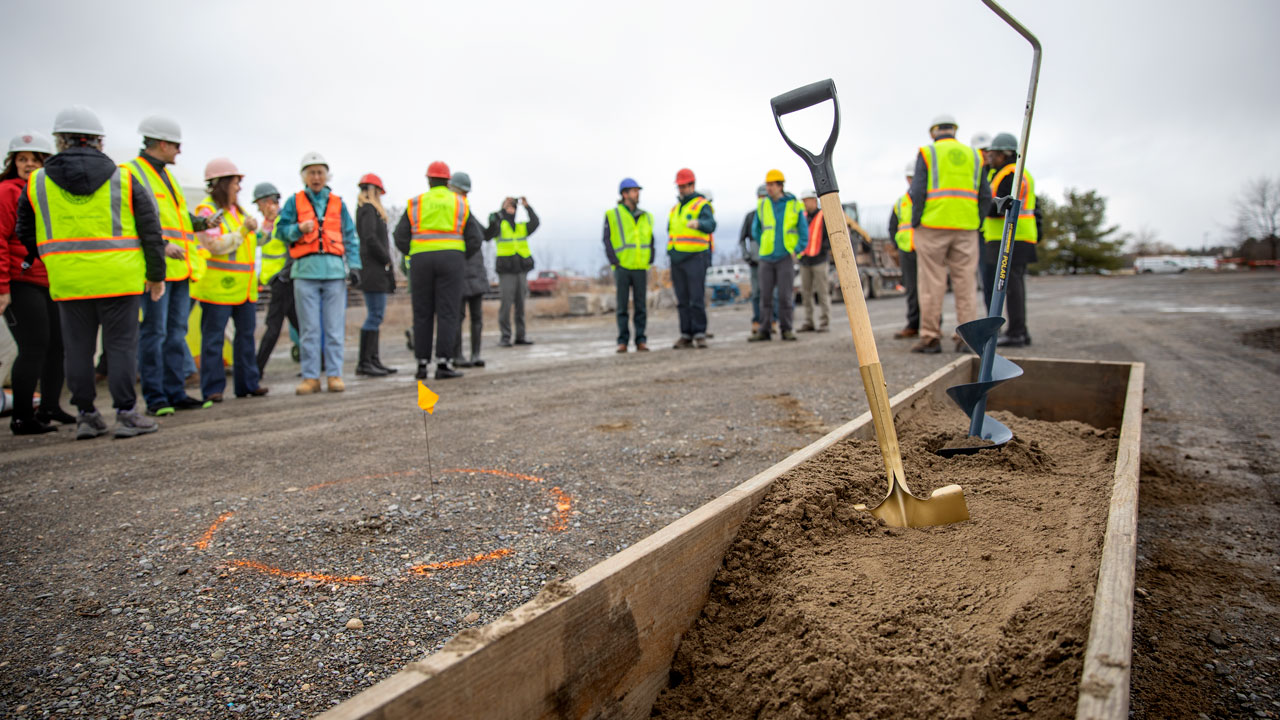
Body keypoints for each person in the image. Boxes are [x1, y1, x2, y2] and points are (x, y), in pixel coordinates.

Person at [15, 105, 166, 439]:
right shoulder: (124, 178)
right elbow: (150, 231)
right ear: (99, 141)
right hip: (120, 278)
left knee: (78, 350)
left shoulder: (37, 182)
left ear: (60, 141)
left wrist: (53, 258)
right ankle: (126, 414)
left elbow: (24, 230)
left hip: (69, 281)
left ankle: (87, 416)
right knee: (121, 347)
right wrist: (156, 275)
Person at [127, 116, 211, 416]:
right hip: (156, 271)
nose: (178, 152)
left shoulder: (166, 176)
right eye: (176, 145)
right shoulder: (131, 174)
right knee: (154, 333)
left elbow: (177, 219)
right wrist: (161, 246)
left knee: (176, 333)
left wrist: (201, 222)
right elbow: (133, 221)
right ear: (162, 144)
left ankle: (176, 392)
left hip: (181, 270)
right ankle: (155, 396)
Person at [1, 131, 74, 435]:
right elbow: (1, 240)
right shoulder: (7, 191)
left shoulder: (50, 190)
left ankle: (49, 406)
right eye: (22, 159)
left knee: (58, 345)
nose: (29, 164)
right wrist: (2, 287)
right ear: (13, 162)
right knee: (33, 346)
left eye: (35, 159)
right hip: (20, 280)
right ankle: (21, 417)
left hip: (50, 280)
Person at [275, 151, 361, 394]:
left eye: (320, 172)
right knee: (309, 328)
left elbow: (350, 236)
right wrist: (297, 229)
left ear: (326, 175)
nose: (316, 177)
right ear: (304, 176)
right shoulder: (294, 202)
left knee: (334, 327)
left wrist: (354, 266)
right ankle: (311, 376)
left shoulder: (338, 203)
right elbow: (280, 231)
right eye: (311, 172)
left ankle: (334, 374)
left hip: (334, 271)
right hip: (305, 272)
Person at [908, 115, 990, 354]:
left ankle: (931, 338)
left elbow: (917, 190)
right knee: (965, 284)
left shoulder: (927, 152)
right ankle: (967, 339)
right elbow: (985, 194)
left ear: (933, 132)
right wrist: (976, 221)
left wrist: (917, 221)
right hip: (966, 228)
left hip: (932, 226)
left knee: (932, 284)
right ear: (955, 131)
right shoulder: (974, 156)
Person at [192, 158, 267, 402]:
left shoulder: (240, 211)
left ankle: (248, 383)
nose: (239, 187)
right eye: (236, 182)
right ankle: (213, 388)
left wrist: (264, 225)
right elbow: (213, 245)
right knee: (213, 339)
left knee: (245, 337)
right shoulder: (206, 212)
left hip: (244, 287)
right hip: (218, 286)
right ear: (223, 183)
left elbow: (253, 243)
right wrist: (244, 230)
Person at [393, 160, 476, 380]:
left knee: (422, 313)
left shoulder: (415, 203)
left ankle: (421, 365)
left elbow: (399, 235)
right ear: (448, 180)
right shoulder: (460, 203)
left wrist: (414, 251)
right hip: (451, 261)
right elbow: (475, 238)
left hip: (421, 261)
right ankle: (443, 364)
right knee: (448, 312)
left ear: (428, 180)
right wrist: (459, 255)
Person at [981, 132, 1037, 347]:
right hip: (1015, 238)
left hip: (1012, 238)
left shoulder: (1010, 174)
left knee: (1012, 288)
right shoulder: (1009, 173)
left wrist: (979, 207)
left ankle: (1017, 332)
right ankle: (1020, 331)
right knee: (1013, 287)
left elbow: (1001, 207)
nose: (989, 157)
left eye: (993, 154)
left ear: (1004, 154)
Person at [749, 169, 808, 342]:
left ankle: (787, 329)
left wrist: (796, 249)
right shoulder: (762, 205)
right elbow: (756, 229)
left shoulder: (794, 205)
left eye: (772, 184)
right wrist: (764, 244)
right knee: (764, 296)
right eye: (767, 184)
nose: (769, 188)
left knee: (784, 296)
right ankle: (765, 329)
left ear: (780, 185)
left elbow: (804, 231)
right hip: (766, 257)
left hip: (785, 257)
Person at [252, 181, 298, 376]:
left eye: (259, 204)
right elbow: (258, 242)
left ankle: (257, 368)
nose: (259, 209)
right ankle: (320, 360)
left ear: (268, 201)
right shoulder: (268, 225)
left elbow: (291, 252)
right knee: (300, 324)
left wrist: (283, 276)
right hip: (276, 281)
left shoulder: (283, 221)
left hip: (283, 282)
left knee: (273, 325)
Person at [604, 177, 654, 353]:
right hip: (623, 267)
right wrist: (615, 262)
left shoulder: (646, 216)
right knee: (622, 306)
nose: (637, 193)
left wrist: (650, 258)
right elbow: (607, 240)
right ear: (624, 194)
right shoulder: (613, 214)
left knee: (641, 306)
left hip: (640, 266)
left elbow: (650, 239)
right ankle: (622, 341)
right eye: (634, 190)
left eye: (638, 190)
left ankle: (641, 340)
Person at [354, 172, 397, 377]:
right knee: (375, 315)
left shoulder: (366, 210)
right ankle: (365, 362)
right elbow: (371, 238)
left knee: (376, 315)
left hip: (374, 269)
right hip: (373, 270)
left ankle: (373, 359)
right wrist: (385, 258)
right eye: (378, 191)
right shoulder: (369, 210)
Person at [668, 168, 715, 348]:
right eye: (679, 186)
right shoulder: (675, 209)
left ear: (692, 185)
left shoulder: (701, 205)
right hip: (677, 258)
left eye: (684, 186)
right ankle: (686, 333)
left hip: (695, 257)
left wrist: (699, 224)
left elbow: (711, 225)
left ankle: (699, 332)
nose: (681, 189)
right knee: (682, 299)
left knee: (696, 298)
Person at [448, 171, 489, 368]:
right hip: (459, 272)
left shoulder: (466, 211)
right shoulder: (451, 211)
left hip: (474, 270)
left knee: (476, 316)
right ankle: (458, 355)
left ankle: (475, 354)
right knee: (458, 315)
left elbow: (483, 235)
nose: (463, 196)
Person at [486, 195, 539, 346]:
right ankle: (505, 336)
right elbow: (490, 225)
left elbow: (535, 222)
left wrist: (527, 206)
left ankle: (520, 336)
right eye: (508, 207)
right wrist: (502, 208)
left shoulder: (521, 227)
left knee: (521, 305)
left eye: (513, 207)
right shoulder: (499, 224)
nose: (511, 210)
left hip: (521, 270)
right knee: (506, 304)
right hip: (506, 271)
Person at [889, 162, 922, 339]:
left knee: (929, 289)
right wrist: (898, 245)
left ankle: (931, 325)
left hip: (925, 250)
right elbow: (893, 226)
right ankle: (913, 324)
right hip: (907, 250)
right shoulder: (901, 202)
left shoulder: (927, 198)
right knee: (911, 289)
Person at [797, 189, 830, 332]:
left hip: (819, 260)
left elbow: (829, 236)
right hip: (805, 260)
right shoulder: (802, 217)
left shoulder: (823, 215)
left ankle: (824, 322)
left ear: (814, 200)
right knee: (806, 293)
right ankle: (808, 321)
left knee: (822, 292)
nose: (805, 204)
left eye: (807, 201)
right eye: (803, 201)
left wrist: (823, 249)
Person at [739, 184, 770, 335]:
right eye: (761, 197)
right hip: (756, 263)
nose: (763, 199)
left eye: (765, 196)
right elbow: (742, 238)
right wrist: (747, 255)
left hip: (772, 260)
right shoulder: (751, 217)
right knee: (757, 293)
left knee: (773, 294)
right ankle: (757, 321)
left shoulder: (774, 216)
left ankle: (773, 321)